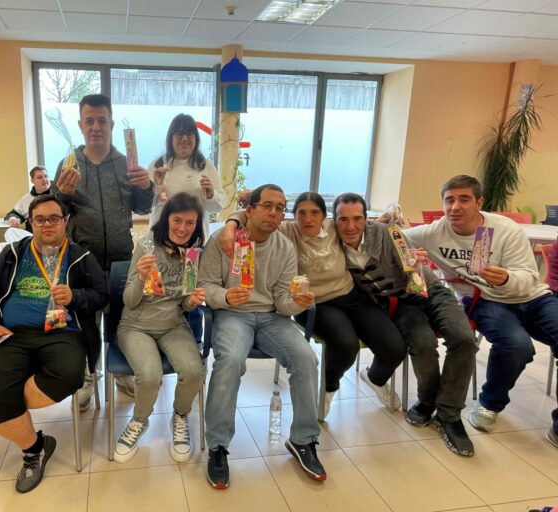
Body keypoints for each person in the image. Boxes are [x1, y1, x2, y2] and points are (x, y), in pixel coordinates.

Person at [402, 175, 558, 448]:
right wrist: (386, 225)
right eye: (449, 200)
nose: (455, 207)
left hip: (533, 298)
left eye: (464, 199)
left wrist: (507, 278)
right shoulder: (434, 232)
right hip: (486, 300)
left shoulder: (505, 230)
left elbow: (530, 277)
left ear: (479, 202)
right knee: (517, 345)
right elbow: (394, 237)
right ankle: (490, 404)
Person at [219, 192, 405, 419]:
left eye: (315, 213)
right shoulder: (287, 231)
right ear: (293, 215)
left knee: (395, 347)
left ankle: (375, 378)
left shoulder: (334, 228)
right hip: (312, 304)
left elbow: (364, 224)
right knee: (346, 345)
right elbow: (249, 216)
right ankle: (328, 388)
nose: (308, 219)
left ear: (325, 216)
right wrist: (230, 224)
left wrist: (389, 216)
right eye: (301, 213)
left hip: (351, 295)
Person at [0, 194, 107, 493]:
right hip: (12, 334)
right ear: (30, 223)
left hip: (64, 333)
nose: (47, 225)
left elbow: (101, 295)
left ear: (65, 221)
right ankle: (34, 449)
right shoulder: (12, 253)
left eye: (54, 218)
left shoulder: (82, 257)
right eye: (40, 219)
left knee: (67, 375)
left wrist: (76, 297)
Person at [199, 184, 326, 489]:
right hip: (232, 314)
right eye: (267, 205)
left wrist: (297, 302)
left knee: (306, 358)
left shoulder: (284, 247)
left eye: (280, 208)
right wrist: (225, 296)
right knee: (230, 361)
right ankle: (218, 446)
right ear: (250, 209)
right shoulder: (223, 240)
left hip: (272, 317)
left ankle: (303, 440)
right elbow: (205, 286)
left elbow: (282, 300)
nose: (274, 213)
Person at [336, 193, 478, 456]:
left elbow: (410, 261)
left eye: (357, 218)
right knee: (422, 343)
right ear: (334, 221)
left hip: (432, 292)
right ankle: (427, 402)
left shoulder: (386, 234)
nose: (350, 226)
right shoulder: (333, 243)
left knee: (464, 339)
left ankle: (448, 414)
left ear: (366, 219)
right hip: (402, 304)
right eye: (343, 219)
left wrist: (414, 262)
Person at [50, 94, 154, 408]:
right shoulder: (69, 164)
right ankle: (86, 377)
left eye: (102, 121)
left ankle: (121, 372)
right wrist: (62, 194)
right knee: (86, 323)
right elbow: (56, 211)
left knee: (122, 320)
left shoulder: (126, 164)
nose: (96, 127)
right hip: (83, 261)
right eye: (89, 121)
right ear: (81, 125)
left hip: (122, 258)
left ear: (111, 124)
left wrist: (146, 187)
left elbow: (142, 207)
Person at [114, 192, 206, 463]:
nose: (183, 228)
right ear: (166, 219)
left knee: (194, 371)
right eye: (177, 220)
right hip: (136, 325)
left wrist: (192, 301)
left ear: (197, 225)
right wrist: (141, 276)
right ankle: (139, 420)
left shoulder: (193, 253)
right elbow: (129, 301)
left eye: (190, 223)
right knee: (150, 375)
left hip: (172, 325)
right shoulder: (146, 247)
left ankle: (180, 416)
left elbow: (184, 305)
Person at [150, 114, 224, 346]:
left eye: (190, 134)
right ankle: (158, 337)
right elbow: (144, 204)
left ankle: (194, 343)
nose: (184, 138)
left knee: (191, 291)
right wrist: (157, 187)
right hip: (161, 240)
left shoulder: (205, 165)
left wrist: (210, 193)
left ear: (196, 138)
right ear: (171, 137)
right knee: (159, 289)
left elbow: (218, 205)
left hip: (194, 242)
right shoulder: (159, 164)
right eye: (179, 133)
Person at [4, 165, 50, 230]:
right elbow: (13, 214)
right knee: (10, 232)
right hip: (33, 234)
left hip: (55, 232)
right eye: (40, 177)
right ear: (32, 180)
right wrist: (12, 219)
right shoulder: (26, 199)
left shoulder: (58, 194)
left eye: (46, 176)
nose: (44, 179)